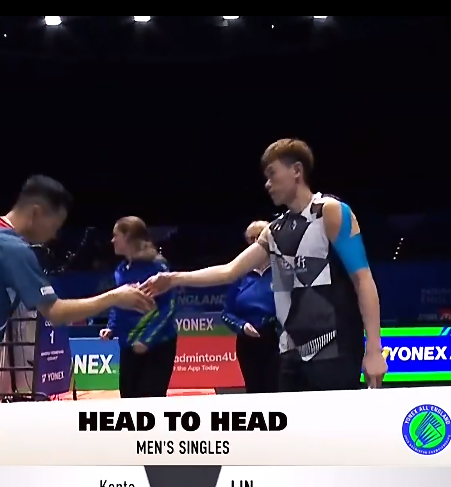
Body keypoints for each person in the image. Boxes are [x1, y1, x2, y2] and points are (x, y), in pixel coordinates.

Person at [141, 138, 387, 390]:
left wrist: (374, 350)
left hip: (335, 350)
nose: (267, 184)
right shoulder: (274, 231)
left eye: (272, 174)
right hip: (290, 354)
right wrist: (174, 279)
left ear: (296, 170)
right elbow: (230, 271)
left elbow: (363, 279)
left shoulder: (330, 212)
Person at [0, 175, 154, 406]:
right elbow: (55, 313)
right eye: (55, 225)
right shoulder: (13, 249)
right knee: (0, 439)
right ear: (37, 213)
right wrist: (114, 297)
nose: (54, 235)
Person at [99, 217, 178, 398]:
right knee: (128, 398)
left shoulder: (157, 267)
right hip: (128, 345)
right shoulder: (121, 269)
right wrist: (111, 327)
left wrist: (146, 340)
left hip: (158, 345)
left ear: (128, 237)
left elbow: (169, 307)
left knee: (150, 401)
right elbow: (119, 302)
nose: (112, 240)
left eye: (116, 235)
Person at [221, 221, 278, 393]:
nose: (255, 242)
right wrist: (242, 326)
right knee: (254, 389)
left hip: (277, 340)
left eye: (259, 237)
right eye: (251, 239)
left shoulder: (282, 270)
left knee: (277, 388)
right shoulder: (239, 275)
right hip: (247, 341)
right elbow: (226, 313)